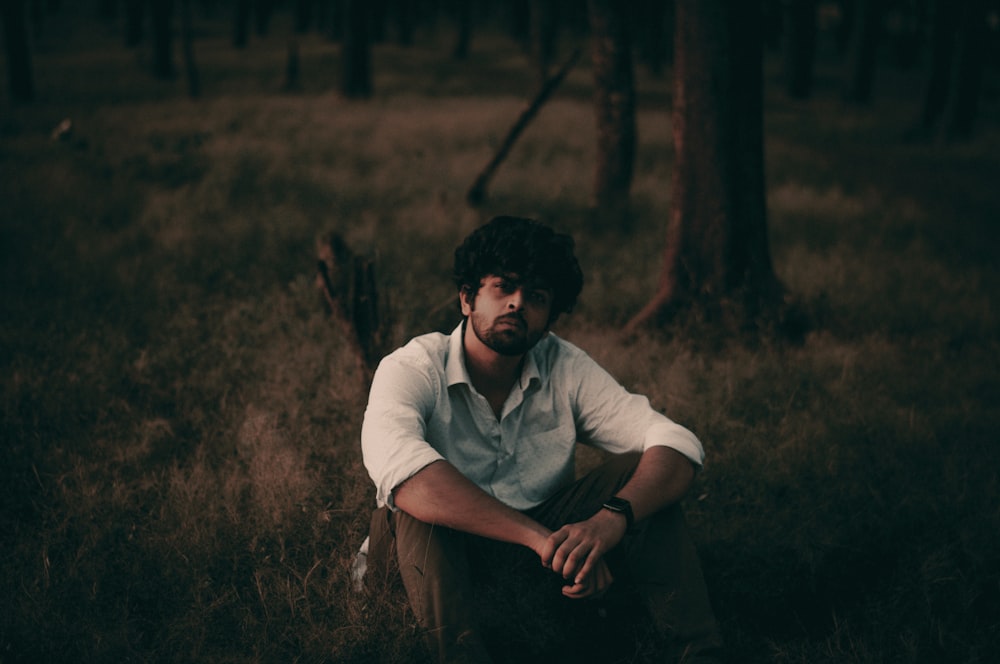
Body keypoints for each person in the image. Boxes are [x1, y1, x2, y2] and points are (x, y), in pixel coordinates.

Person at [360, 216, 724, 663]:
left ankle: (697, 653)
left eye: (535, 296)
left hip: (536, 567)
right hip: (422, 569)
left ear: (549, 319)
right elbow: (403, 470)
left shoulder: (564, 366)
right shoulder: (413, 366)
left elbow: (676, 443)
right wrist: (541, 539)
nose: (517, 304)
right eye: (503, 288)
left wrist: (610, 522)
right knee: (416, 505)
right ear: (467, 299)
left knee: (643, 468)